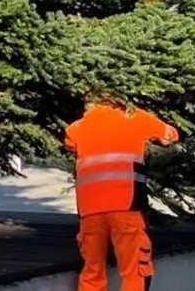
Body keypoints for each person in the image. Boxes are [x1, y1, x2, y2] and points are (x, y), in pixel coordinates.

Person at [63, 91, 181, 291]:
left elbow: (70, 145)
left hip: (89, 210)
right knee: (134, 269)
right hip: (126, 205)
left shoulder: (76, 128)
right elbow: (171, 135)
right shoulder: (135, 118)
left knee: (92, 270)